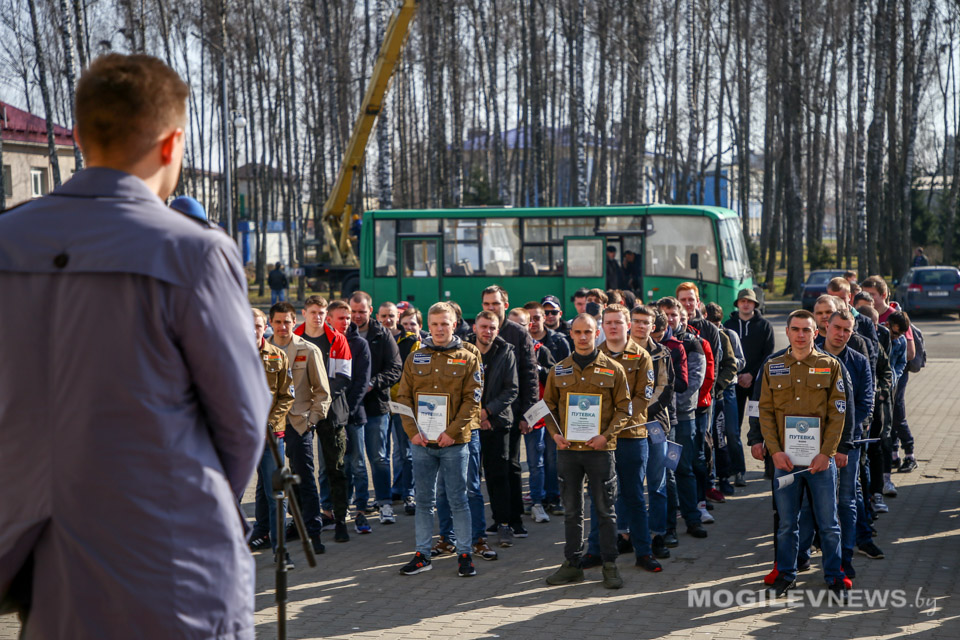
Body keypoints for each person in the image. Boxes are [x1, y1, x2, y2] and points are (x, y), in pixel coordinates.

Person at [0, 53, 270, 636]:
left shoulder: (7, 241)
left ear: (78, 135)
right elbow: (243, 422)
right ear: (171, 144)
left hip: (36, 560)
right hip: (169, 562)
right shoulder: (193, 251)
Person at [758, 310, 847, 598]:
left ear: (815, 333)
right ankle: (786, 573)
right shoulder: (773, 367)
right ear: (787, 331)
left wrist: (826, 453)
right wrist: (774, 452)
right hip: (785, 461)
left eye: (806, 330)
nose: (800, 335)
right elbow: (766, 413)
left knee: (829, 523)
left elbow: (838, 415)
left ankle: (834, 575)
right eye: (795, 329)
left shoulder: (829, 365)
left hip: (820, 462)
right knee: (786, 523)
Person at [543, 314, 632, 589]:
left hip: (600, 451)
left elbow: (624, 409)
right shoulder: (558, 370)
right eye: (578, 332)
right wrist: (554, 434)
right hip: (568, 451)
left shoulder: (614, 369)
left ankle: (609, 565)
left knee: (605, 510)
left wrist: (606, 436)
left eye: (588, 332)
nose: (583, 337)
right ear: (571, 334)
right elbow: (548, 407)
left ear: (597, 334)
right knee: (571, 511)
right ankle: (572, 564)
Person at [396, 303, 483, 578]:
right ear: (428, 326)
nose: (440, 329)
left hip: (454, 443)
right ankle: (423, 555)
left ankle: (465, 554)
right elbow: (403, 398)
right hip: (421, 442)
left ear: (454, 324)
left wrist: (452, 432)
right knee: (423, 501)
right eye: (434, 324)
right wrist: (412, 432)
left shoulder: (468, 357)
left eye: (445, 323)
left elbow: (473, 400)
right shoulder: (415, 358)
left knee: (459, 500)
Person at [583, 305, 661, 572]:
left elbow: (642, 399)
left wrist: (611, 429)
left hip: (631, 436)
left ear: (628, 325)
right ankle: (595, 551)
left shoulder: (641, 358)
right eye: (608, 323)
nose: (613, 327)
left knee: (634, 496)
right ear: (601, 327)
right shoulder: (594, 356)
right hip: (600, 440)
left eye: (618, 322)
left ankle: (644, 552)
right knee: (598, 497)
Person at [799, 309, 875, 584]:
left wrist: (845, 443)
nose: (841, 334)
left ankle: (845, 557)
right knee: (809, 501)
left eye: (847, 330)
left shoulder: (859, 362)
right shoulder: (809, 357)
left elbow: (865, 404)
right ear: (825, 327)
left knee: (846, 500)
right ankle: (801, 554)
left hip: (846, 446)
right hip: (812, 443)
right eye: (837, 328)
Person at [269, 302, 332, 552]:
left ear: (294, 322)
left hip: (298, 423)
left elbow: (323, 391)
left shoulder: (308, 350)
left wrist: (311, 420)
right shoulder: (262, 350)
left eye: (287, 321)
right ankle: (280, 528)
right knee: (273, 481)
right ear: (271, 324)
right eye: (278, 322)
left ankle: (313, 532)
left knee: (304, 478)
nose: (283, 326)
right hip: (271, 424)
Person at [295, 296, 354, 543]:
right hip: (301, 413)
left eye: (321, 312)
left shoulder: (337, 340)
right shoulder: (294, 337)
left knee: (336, 467)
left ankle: (340, 519)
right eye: (313, 312)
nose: (317, 317)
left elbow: (343, 377)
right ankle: (306, 520)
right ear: (304, 313)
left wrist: (321, 401)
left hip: (332, 412)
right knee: (301, 468)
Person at [481, 286, 538, 537]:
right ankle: (499, 517)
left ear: (505, 304)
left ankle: (515, 519)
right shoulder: (479, 331)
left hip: (512, 412)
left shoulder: (517, 333)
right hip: (483, 415)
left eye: (495, 303)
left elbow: (530, 374)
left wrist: (528, 413)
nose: (491, 308)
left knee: (511, 466)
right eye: (486, 304)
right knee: (492, 468)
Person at [350, 292, 403, 524]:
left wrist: (373, 383)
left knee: (379, 457)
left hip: (376, 405)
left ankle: (384, 502)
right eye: (353, 311)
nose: (357, 316)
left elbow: (395, 368)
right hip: (350, 406)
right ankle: (359, 504)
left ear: (370, 311)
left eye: (362, 311)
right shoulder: (342, 333)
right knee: (355, 459)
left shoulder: (382, 334)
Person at [657, 297, 708, 537]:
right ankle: (667, 524)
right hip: (659, 418)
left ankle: (692, 518)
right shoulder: (651, 343)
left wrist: (668, 402)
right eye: (664, 314)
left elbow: (693, 382)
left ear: (680, 316)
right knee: (665, 471)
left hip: (684, 415)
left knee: (684, 467)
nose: (669, 319)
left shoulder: (690, 343)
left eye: (673, 314)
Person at [470, 311, 519, 552]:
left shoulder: (506, 352)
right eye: (483, 326)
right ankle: (471, 528)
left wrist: (487, 413)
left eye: (492, 327)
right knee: (470, 478)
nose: (487, 331)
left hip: (498, 424)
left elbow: (511, 390)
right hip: (470, 424)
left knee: (498, 476)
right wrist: (476, 415)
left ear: (497, 330)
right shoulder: (465, 350)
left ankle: (503, 524)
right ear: (474, 328)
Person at [249, 309, 296, 567]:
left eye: (257, 325)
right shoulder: (230, 355)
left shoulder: (278, 357)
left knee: (276, 494)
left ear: (264, 326)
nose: (253, 330)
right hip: (239, 439)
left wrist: (268, 422)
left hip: (270, 437)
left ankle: (281, 551)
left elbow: (287, 396)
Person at [630, 305, 675, 559]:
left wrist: (641, 413)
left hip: (655, 424)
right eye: (636, 321)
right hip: (624, 426)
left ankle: (658, 534)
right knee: (628, 483)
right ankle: (626, 534)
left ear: (653, 326)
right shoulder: (617, 352)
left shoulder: (662, 353)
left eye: (645, 322)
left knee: (657, 483)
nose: (640, 325)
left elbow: (666, 388)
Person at [325, 300, 373, 533]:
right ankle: (329, 510)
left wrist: (347, 412)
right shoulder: (324, 343)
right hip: (328, 417)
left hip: (352, 416)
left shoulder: (359, 344)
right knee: (330, 466)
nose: (346, 321)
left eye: (348, 317)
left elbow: (361, 383)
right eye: (341, 317)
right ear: (329, 319)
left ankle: (361, 509)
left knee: (358, 464)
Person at [723, 288, 775, 480]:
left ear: (755, 304)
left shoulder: (764, 326)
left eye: (749, 301)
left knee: (761, 422)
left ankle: (768, 465)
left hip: (756, 384)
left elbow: (768, 354)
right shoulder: (728, 325)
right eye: (742, 301)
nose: (746, 304)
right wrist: (738, 374)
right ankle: (737, 470)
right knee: (732, 427)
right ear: (738, 303)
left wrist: (752, 374)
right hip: (734, 382)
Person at [379, 301, 420, 513]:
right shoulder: (374, 337)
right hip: (378, 404)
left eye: (391, 316)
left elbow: (413, 372)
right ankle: (389, 492)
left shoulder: (410, 341)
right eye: (384, 316)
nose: (387, 320)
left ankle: (408, 492)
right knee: (382, 454)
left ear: (397, 316)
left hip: (401, 403)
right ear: (378, 316)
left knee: (405, 451)